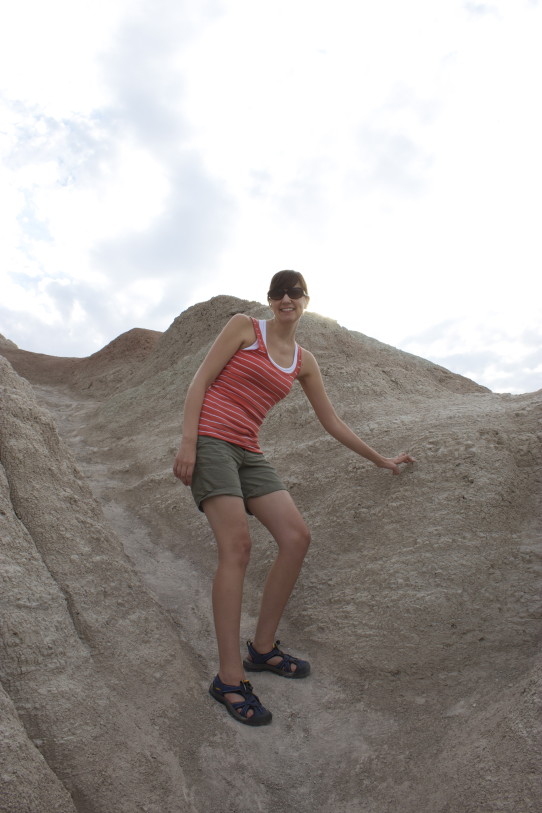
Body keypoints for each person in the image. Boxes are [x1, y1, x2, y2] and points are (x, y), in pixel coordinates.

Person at [173, 270, 414, 726]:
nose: (287, 298)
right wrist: (188, 441)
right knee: (237, 548)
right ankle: (228, 679)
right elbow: (200, 381)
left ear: (306, 300)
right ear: (270, 300)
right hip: (211, 441)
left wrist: (381, 460)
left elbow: (333, 421)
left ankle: (262, 650)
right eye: (279, 292)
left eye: (295, 292)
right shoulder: (245, 326)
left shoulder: (304, 360)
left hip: (248, 450)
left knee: (297, 537)